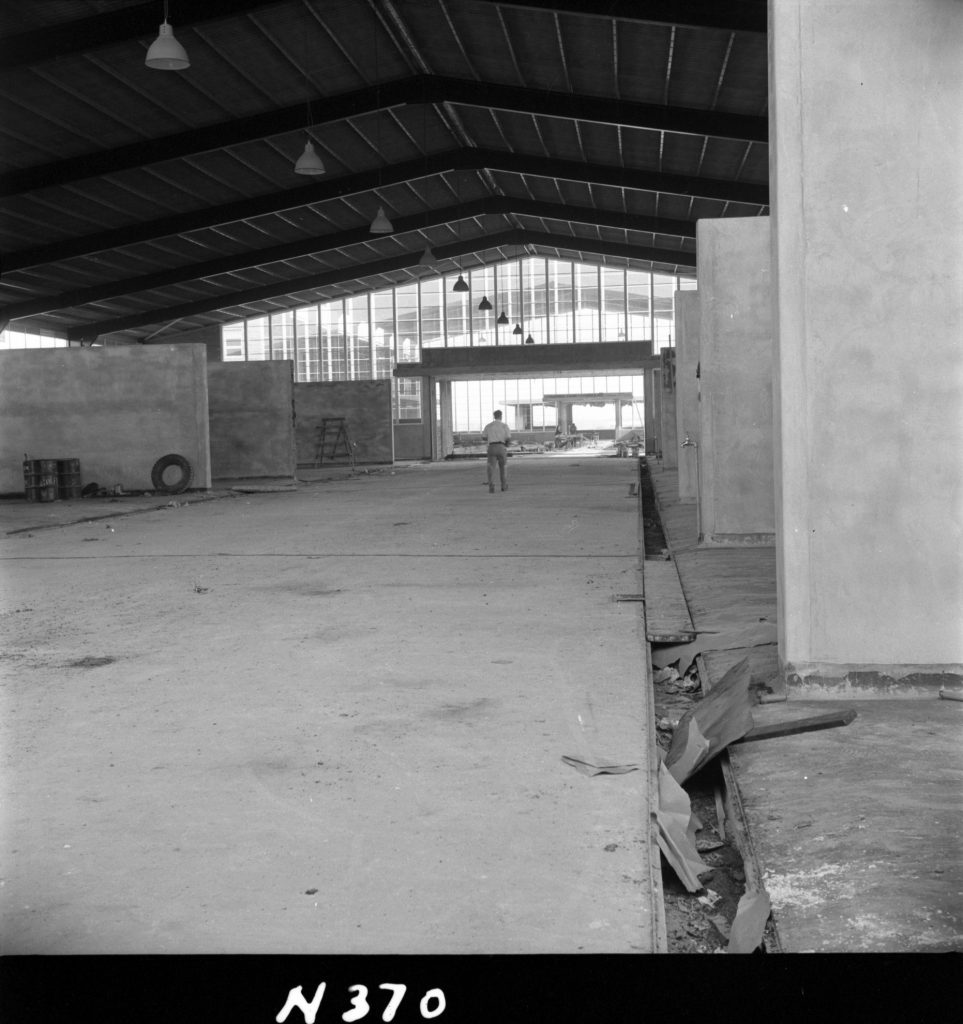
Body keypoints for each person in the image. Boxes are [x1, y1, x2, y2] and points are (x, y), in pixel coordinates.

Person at [481, 410, 512, 493]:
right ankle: (504, 486)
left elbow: (483, 437)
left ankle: (491, 486)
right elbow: (508, 438)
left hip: (491, 447)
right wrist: (507, 444)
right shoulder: (504, 426)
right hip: (501, 447)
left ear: (494, 416)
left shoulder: (488, 426)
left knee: (491, 468)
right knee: (503, 468)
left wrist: (491, 437)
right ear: (501, 416)